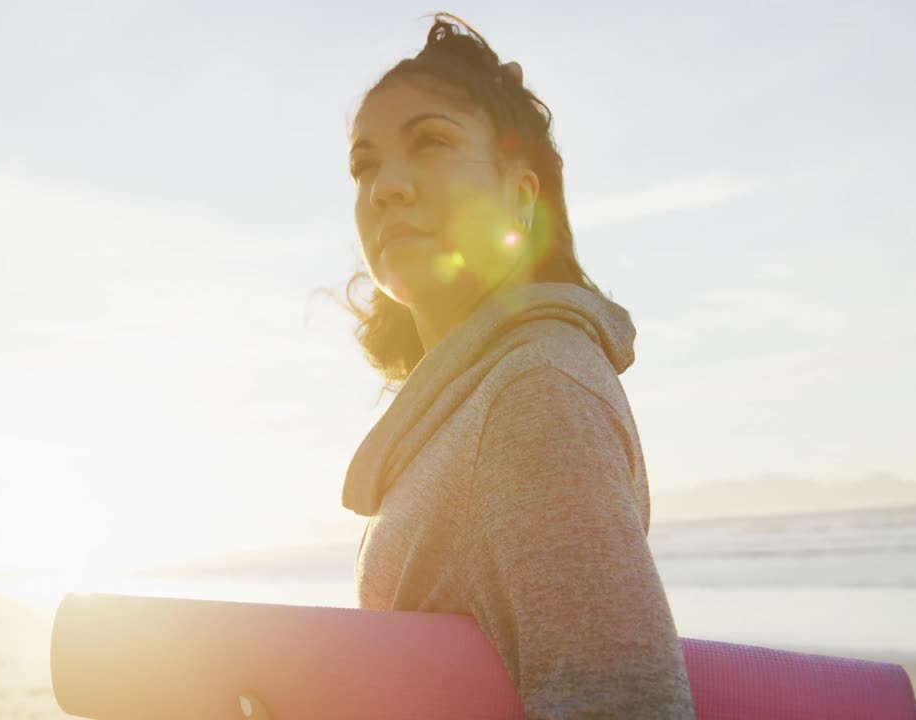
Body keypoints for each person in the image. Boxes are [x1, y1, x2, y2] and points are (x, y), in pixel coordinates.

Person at [241, 13, 696, 720]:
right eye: (365, 165)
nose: (385, 185)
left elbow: (623, 706)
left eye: (430, 143)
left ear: (520, 196)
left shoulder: (533, 394)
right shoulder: (471, 401)